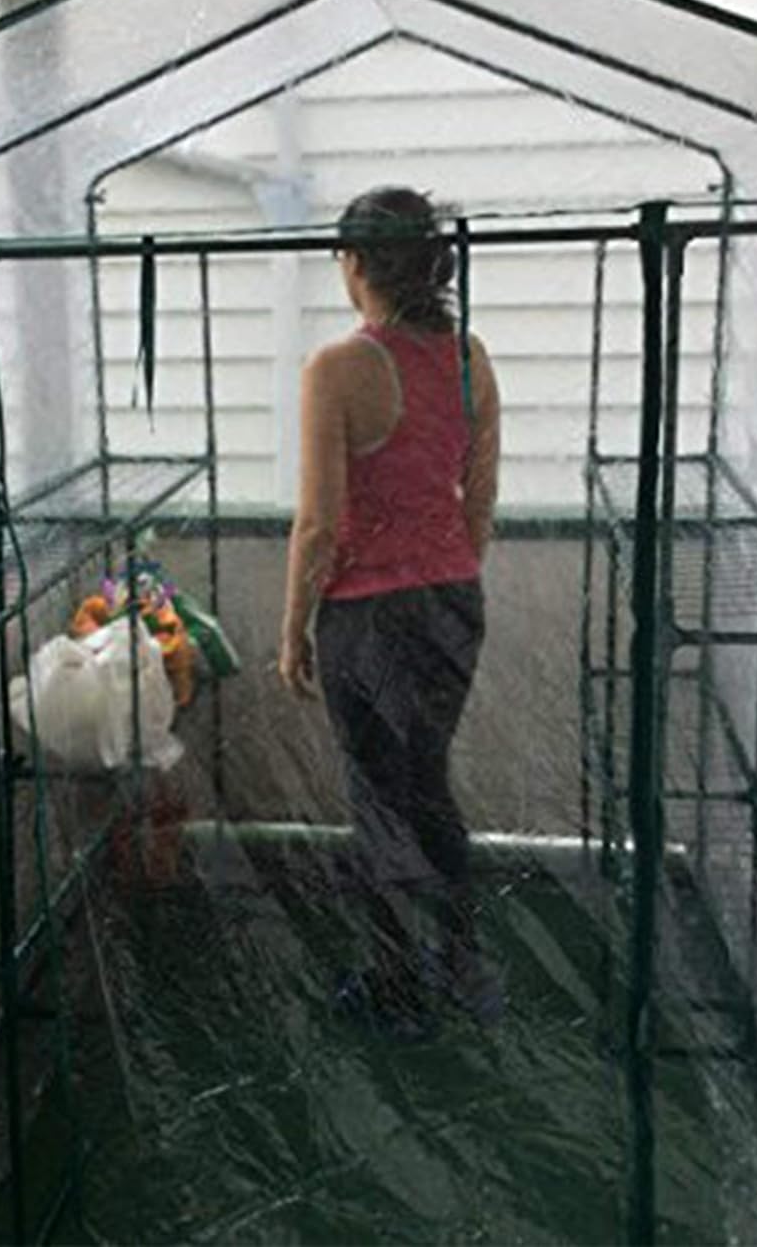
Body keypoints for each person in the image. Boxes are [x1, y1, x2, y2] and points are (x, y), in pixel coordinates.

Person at [278, 185, 501, 1029]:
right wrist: (442, 577)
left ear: (355, 263)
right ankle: (462, 967)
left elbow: (317, 524)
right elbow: (479, 497)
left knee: (377, 800)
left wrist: (292, 632)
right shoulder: (467, 358)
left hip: (367, 616)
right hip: (453, 599)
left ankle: (397, 989)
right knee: (427, 782)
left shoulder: (337, 369)